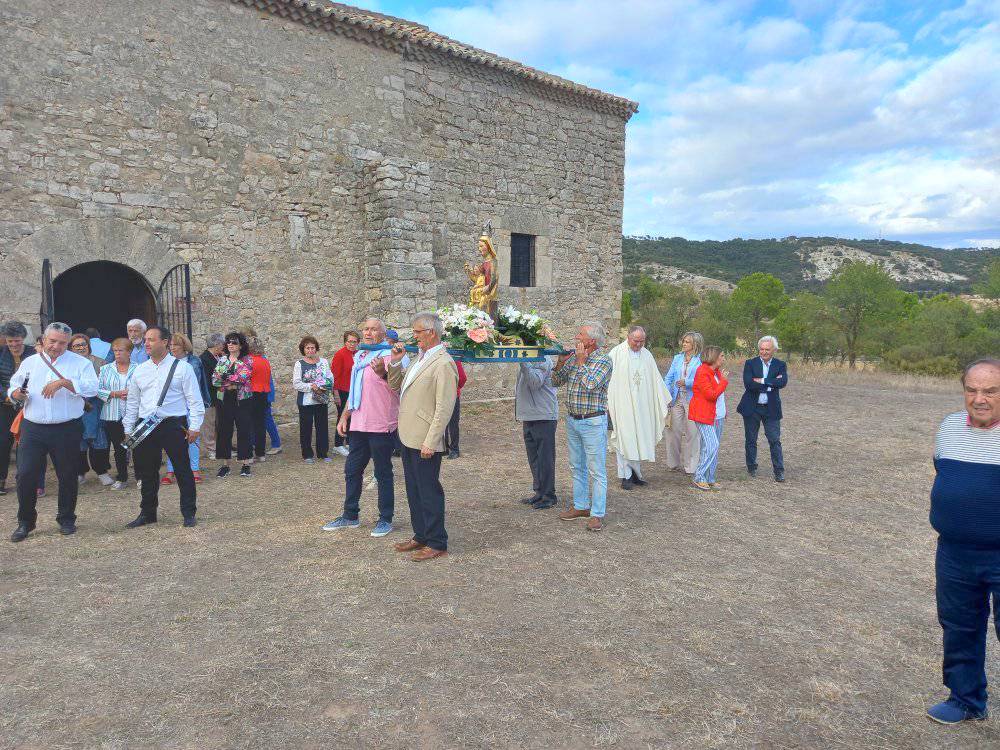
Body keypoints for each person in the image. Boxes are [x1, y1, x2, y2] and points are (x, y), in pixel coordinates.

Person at [925, 358, 1000, 725]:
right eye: (972, 390)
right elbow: (945, 471)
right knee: (959, 626)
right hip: (954, 552)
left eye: (990, 390)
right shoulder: (950, 426)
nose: (979, 398)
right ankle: (966, 700)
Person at [8, 322, 99, 542]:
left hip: (66, 427)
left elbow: (93, 388)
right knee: (25, 474)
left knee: (67, 475)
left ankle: (66, 519)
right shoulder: (30, 362)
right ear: (43, 340)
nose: (56, 346)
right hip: (33, 427)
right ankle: (25, 522)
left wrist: (65, 382)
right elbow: (13, 386)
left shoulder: (80, 363)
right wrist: (16, 394)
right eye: (52, 341)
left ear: (68, 343)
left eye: (61, 343)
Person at [323, 318, 408, 537]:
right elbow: (354, 390)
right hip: (358, 423)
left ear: (382, 332)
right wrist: (344, 416)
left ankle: (385, 519)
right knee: (352, 470)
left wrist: (383, 373)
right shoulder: (360, 355)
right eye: (365, 329)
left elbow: (400, 389)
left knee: (382, 473)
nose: (368, 333)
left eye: (373, 329)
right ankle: (350, 515)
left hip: (381, 424)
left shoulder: (394, 355)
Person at [386, 312, 457, 561]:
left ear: (432, 333)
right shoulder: (419, 358)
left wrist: (432, 440)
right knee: (414, 489)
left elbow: (444, 406)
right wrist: (395, 362)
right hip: (408, 435)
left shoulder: (443, 363)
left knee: (428, 490)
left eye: (417, 332)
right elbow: (396, 387)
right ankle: (421, 534)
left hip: (425, 438)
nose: (413, 335)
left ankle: (437, 541)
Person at [123, 325, 205, 529]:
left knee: (182, 469)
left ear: (165, 342)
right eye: (146, 340)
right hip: (145, 426)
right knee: (147, 472)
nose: (146, 343)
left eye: (151, 339)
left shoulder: (182, 368)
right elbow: (133, 402)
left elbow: (194, 400)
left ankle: (188, 512)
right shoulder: (140, 371)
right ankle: (148, 513)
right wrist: (128, 429)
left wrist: (195, 426)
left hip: (172, 425)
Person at [553, 323, 614, 532]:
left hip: (593, 421)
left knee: (596, 470)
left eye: (581, 334)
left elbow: (590, 384)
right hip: (573, 420)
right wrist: (561, 363)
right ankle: (581, 506)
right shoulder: (574, 357)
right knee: (576, 465)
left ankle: (597, 514)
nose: (576, 336)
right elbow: (555, 381)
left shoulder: (604, 360)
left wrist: (580, 362)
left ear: (592, 341)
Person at [607, 325, 671, 489]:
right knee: (625, 438)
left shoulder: (647, 355)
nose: (639, 344)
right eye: (636, 341)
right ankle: (625, 476)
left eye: (642, 341)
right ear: (628, 337)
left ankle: (636, 474)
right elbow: (607, 379)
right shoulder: (616, 353)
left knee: (639, 437)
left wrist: (663, 398)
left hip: (643, 405)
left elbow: (656, 379)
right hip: (622, 404)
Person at [736, 335, 788, 482]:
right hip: (752, 408)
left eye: (767, 349)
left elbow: (783, 382)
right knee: (751, 439)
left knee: (774, 440)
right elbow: (749, 384)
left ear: (774, 350)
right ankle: (751, 467)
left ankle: (779, 471)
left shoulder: (780, 364)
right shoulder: (750, 363)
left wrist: (763, 380)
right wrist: (772, 383)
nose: (764, 352)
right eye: (762, 349)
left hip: (771, 408)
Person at [163, 333, 212, 485]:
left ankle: (194, 469)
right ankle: (171, 471)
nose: (172, 348)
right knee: (171, 439)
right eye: (170, 345)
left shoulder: (194, 362)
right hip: (172, 406)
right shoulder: (166, 363)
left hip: (189, 405)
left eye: (175, 345)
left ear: (184, 346)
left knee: (192, 438)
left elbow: (195, 386)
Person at [515, 356, 559, 510]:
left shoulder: (543, 359)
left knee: (545, 458)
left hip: (543, 416)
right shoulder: (529, 357)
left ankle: (548, 496)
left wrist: (522, 360)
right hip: (529, 415)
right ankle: (539, 492)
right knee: (534, 458)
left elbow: (534, 383)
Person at [69, 334, 112, 486]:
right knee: (78, 440)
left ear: (88, 345)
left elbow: (107, 385)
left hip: (95, 405)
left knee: (98, 438)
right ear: (71, 348)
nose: (81, 347)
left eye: (83, 344)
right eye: (76, 345)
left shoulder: (101, 363)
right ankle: (80, 472)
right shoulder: (67, 364)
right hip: (74, 405)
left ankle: (102, 471)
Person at [212, 332, 253, 478]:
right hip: (224, 400)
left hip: (242, 400)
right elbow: (215, 379)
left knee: (244, 430)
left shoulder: (247, 360)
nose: (230, 344)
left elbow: (242, 377)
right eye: (228, 342)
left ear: (241, 345)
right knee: (223, 431)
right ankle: (225, 464)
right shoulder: (222, 360)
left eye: (234, 342)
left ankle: (245, 463)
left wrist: (225, 378)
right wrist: (230, 381)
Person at [97, 337, 137, 490]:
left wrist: (132, 393)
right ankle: (122, 477)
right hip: (112, 414)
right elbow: (97, 391)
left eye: (121, 350)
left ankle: (140, 476)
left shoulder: (139, 368)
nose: (117, 353)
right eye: (115, 350)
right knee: (119, 448)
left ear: (129, 352)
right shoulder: (105, 369)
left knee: (136, 446)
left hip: (133, 413)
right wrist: (115, 394)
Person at [689, 346, 729, 491]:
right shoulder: (702, 371)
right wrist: (724, 382)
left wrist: (724, 410)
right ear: (714, 356)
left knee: (711, 448)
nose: (724, 358)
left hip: (717, 415)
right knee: (712, 445)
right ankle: (699, 477)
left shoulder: (716, 372)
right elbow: (711, 395)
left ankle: (710, 478)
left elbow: (719, 397)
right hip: (703, 414)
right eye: (722, 355)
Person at [663, 332, 703, 475]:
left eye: (687, 342)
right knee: (672, 431)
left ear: (695, 345)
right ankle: (673, 463)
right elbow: (669, 377)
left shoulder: (700, 361)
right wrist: (666, 393)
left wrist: (687, 382)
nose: (684, 343)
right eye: (684, 341)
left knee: (692, 433)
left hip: (693, 400)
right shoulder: (677, 358)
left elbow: (702, 381)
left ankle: (691, 466)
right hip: (676, 399)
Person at [0, 321, 31, 496]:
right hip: (5, 405)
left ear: (23, 338)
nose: (14, 345)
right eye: (10, 341)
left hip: (28, 406)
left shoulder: (34, 353)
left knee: (25, 443)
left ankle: (24, 480)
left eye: (17, 340)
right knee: (2, 442)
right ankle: (1, 480)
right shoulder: (0, 354)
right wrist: (8, 396)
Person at [292, 336, 332, 463]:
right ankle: (307, 454)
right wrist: (311, 386)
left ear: (316, 349)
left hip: (321, 399)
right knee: (306, 428)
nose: (310, 350)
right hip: (306, 401)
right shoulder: (299, 364)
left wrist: (322, 386)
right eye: (307, 348)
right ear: (303, 350)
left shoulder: (324, 362)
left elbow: (330, 378)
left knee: (322, 427)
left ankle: (323, 453)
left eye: (312, 348)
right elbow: (296, 383)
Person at [330, 330, 360, 456]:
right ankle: (338, 444)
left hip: (354, 390)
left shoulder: (358, 354)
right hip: (342, 390)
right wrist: (336, 394)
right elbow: (334, 376)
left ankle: (348, 442)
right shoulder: (340, 354)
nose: (352, 344)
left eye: (354, 342)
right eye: (349, 341)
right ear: (345, 342)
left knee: (353, 417)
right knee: (342, 417)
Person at [247, 337, 273, 464]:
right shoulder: (265, 361)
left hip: (251, 393)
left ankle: (250, 455)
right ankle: (261, 454)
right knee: (260, 424)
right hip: (263, 393)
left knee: (250, 424)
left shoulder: (248, 361)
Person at [199, 333, 225, 459]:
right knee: (208, 424)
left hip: (218, 395)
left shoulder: (218, 357)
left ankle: (219, 447)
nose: (224, 346)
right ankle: (211, 449)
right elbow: (206, 380)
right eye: (222, 344)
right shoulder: (204, 359)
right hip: (209, 396)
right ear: (216, 344)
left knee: (217, 422)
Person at [445, 361, 467, 459]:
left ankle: (454, 449)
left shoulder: (454, 360)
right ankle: (443, 447)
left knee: (453, 423)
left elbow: (462, 378)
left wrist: (455, 388)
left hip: (452, 395)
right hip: (439, 395)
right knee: (440, 421)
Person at [263, 373, 282, 456]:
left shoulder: (262, 360)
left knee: (267, 420)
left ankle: (276, 444)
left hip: (264, 395)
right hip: (261, 395)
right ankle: (253, 442)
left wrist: (269, 397)